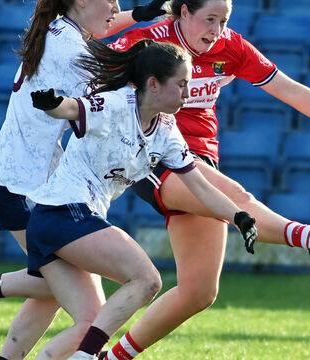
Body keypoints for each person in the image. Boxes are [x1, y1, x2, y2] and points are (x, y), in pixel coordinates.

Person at [100, 0, 310, 359]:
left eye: (223, 20)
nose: (216, 30)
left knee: (199, 292)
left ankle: (111, 358)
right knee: (233, 196)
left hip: (200, 157)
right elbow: (89, 59)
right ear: (183, 12)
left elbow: (289, 89)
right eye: (209, 19)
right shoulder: (150, 43)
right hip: (150, 153)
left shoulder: (230, 47)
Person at [0, 0, 168, 358]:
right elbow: (118, 101)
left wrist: (139, 16)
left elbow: (104, 26)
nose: (116, 6)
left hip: (25, 179)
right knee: (91, 314)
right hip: (21, 185)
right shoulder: (71, 50)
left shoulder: (60, 29)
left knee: (54, 288)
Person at [25, 38, 257, 360]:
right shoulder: (118, 103)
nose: (188, 94)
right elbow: (73, 108)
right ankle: (86, 356)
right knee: (146, 280)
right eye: (182, 84)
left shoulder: (166, 130)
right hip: (64, 212)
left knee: (91, 315)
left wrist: (239, 217)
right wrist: (53, 104)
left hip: (59, 219)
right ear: (154, 84)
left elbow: (200, 187)